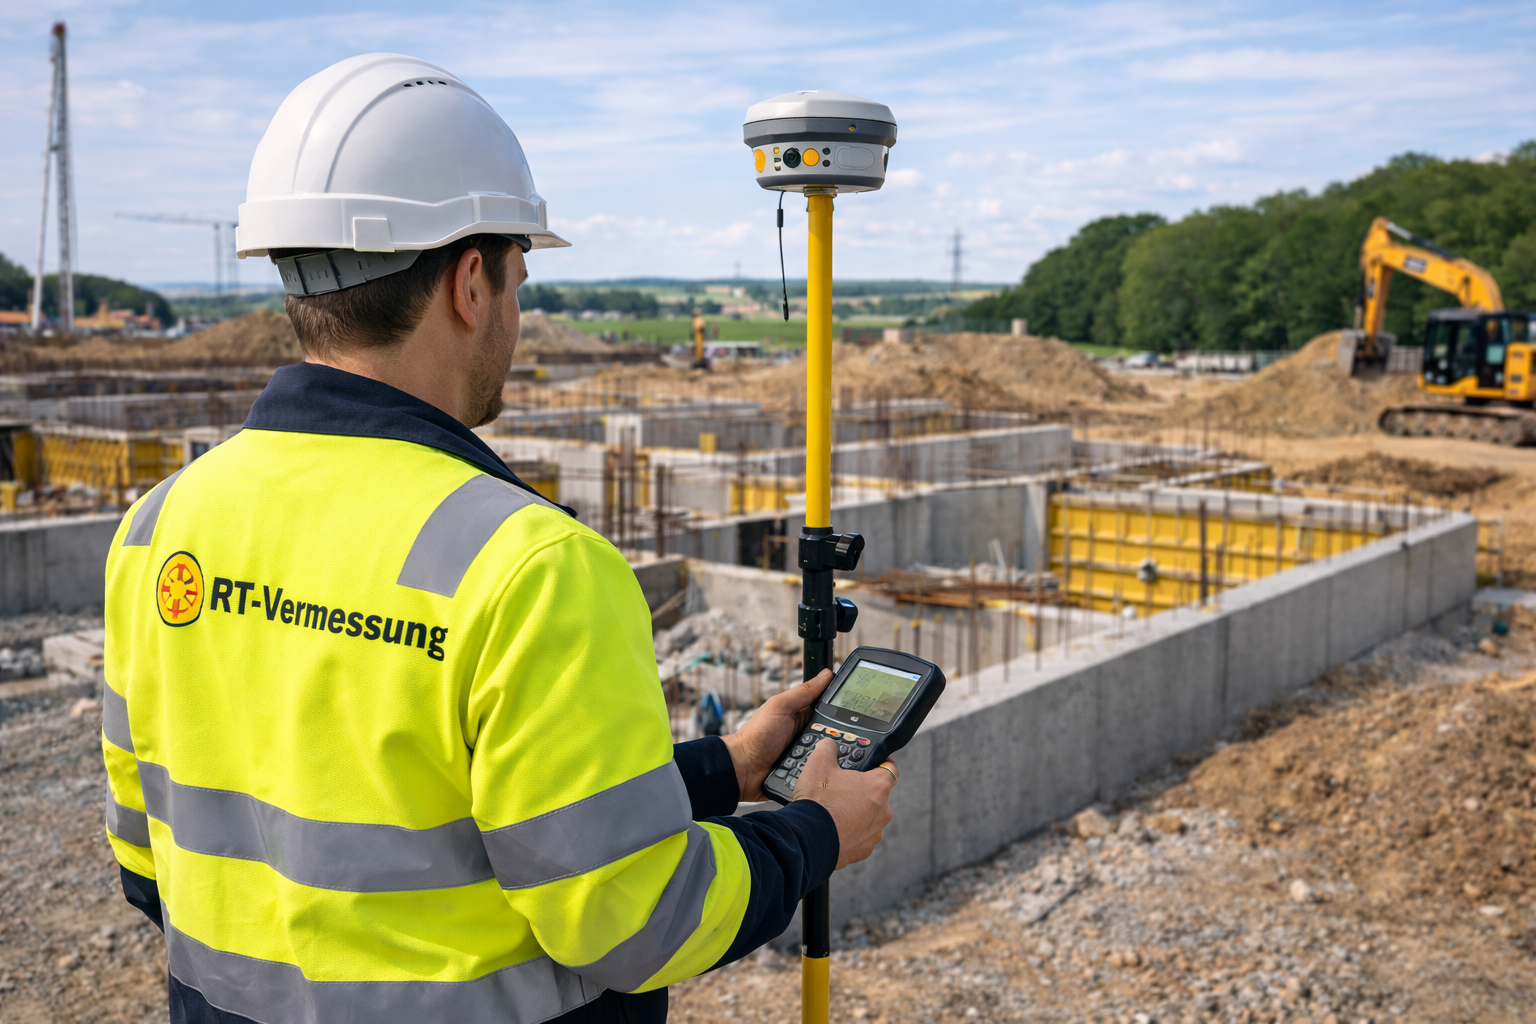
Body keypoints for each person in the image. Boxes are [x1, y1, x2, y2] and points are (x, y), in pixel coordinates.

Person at [100, 53, 896, 1024]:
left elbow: (153, 861)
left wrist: (720, 768)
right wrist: (816, 834)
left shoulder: (159, 525)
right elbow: (633, 916)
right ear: (470, 282)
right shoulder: (529, 567)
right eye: (519, 276)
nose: (516, 312)